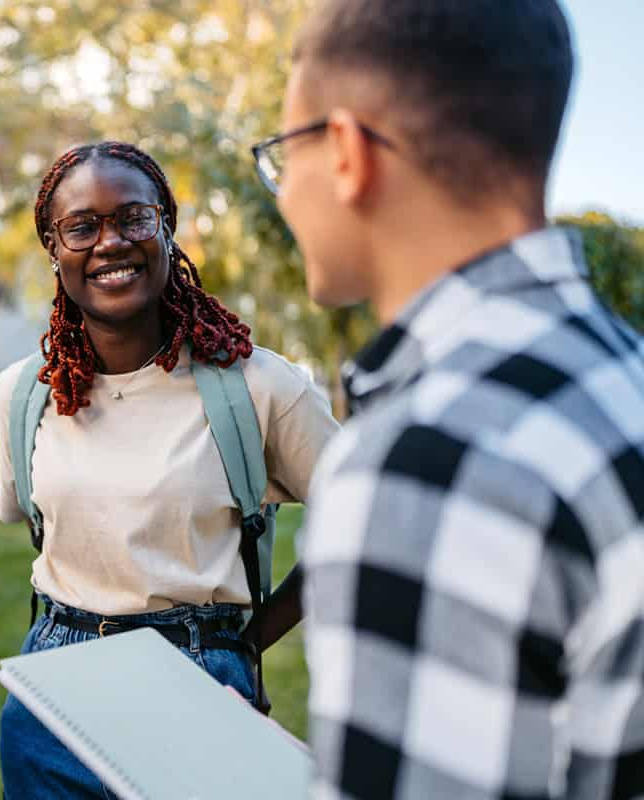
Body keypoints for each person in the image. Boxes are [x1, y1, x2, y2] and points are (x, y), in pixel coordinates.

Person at [255, 1, 644, 797]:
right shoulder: (619, 376)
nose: (283, 189)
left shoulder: (425, 457)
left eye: (281, 152)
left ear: (347, 154)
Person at [0, 141, 339, 798]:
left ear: (166, 229)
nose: (109, 243)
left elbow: (363, 523)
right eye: (81, 227)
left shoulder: (257, 386)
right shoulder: (22, 393)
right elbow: (33, 518)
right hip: (52, 690)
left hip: (197, 675)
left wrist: (244, 644)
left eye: (133, 219)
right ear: (53, 248)